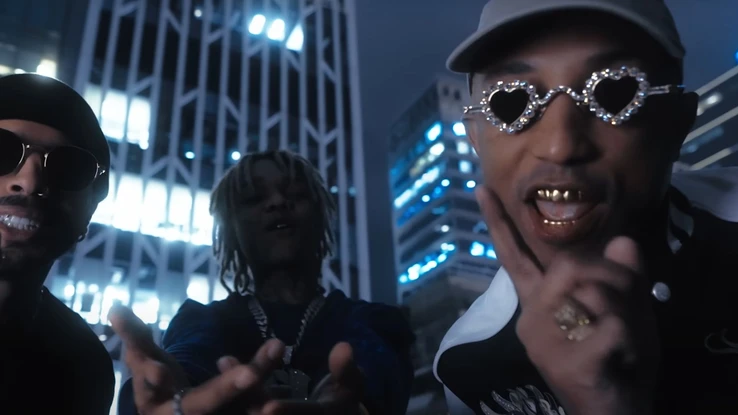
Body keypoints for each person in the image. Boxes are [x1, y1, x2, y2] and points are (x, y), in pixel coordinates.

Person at [433, 0, 738, 414]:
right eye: (511, 102)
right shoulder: (468, 363)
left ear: (677, 123)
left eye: (615, 93)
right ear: (475, 138)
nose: (560, 147)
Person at [114, 150, 415, 415]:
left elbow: (377, 371)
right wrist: (174, 394)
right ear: (232, 231)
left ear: (321, 216)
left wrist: (358, 404)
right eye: (254, 199)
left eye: (296, 193)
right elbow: (187, 358)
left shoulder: (373, 319)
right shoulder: (203, 319)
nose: (278, 202)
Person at [0, 73, 115, 412]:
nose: (30, 180)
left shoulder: (83, 364)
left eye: (69, 167)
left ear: (90, 209)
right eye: (2, 151)